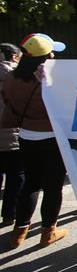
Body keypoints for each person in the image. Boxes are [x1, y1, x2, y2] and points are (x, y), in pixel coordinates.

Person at [3, 33, 69, 248]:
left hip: (25, 135)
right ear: (46, 56)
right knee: (52, 187)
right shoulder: (50, 79)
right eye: (51, 52)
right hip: (52, 138)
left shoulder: (11, 78)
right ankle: (48, 231)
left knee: (31, 184)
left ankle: (19, 233)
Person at [0, 43, 23, 227]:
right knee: (16, 177)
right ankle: (10, 215)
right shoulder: (20, 77)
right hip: (13, 136)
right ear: (15, 57)